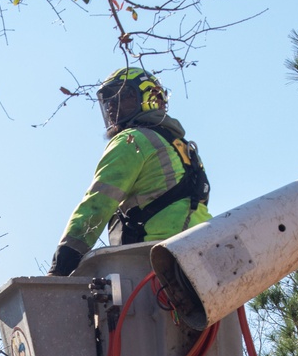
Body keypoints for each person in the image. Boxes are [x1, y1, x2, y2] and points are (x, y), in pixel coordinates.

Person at [47, 67, 212, 277]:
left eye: (122, 97)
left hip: (155, 263)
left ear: (149, 98)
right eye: (109, 102)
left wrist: (62, 264)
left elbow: (98, 203)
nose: (112, 108)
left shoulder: (132, 140)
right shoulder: (183, 148)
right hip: (203, 258)